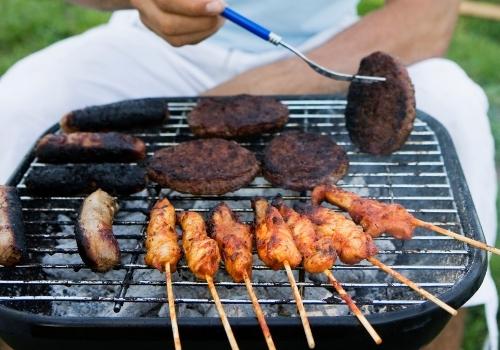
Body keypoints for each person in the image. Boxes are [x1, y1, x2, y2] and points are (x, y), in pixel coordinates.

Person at [0, 1, 497, 348]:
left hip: (327, 51)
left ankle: (438, 331)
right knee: (21, 97)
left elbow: (429, 13)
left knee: (453, 99)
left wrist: (236, 100)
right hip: (147, 46)